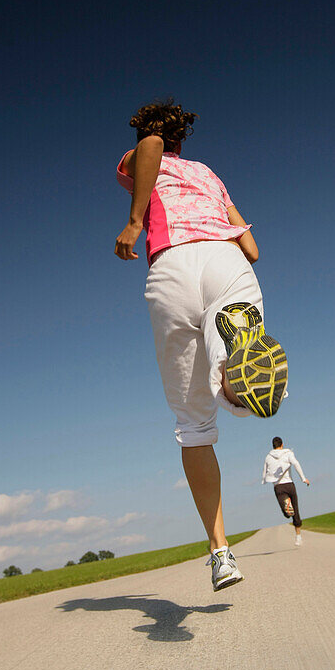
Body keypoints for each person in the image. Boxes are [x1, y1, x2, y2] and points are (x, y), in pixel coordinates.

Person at [115, 99, 288, 590]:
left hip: (171, 266)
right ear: (183, 139)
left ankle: (221, 553)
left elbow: (147, 146)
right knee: (232, 343)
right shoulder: (208, 174)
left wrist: (134, 220)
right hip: (225, 261)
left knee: (192, 427)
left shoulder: (139, 158)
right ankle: (236, 377)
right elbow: (251, 247)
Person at [262, 436, 309, 546]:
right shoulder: (288, 453)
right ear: (282, 444)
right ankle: (298, 537)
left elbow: (265, 470)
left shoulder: (268, 457)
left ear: (273, 446)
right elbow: (296, 464)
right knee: (295, 511)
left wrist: (264, 480)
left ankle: (286, 508)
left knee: (287, 513)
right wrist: (303, 478)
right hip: (290, 485)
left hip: (278, 487)